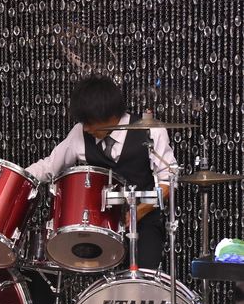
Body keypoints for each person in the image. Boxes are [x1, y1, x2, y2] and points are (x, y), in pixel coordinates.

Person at [27, 75, 176, 271]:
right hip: (100, 225)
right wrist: (15, 177)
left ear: (111, 115)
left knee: (145, 278)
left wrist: (138, 212)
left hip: (144, 221)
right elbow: (49, 166)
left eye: (90, 122)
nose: (86, 128)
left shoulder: (150, 130)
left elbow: (169, 181)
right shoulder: (80, 132)